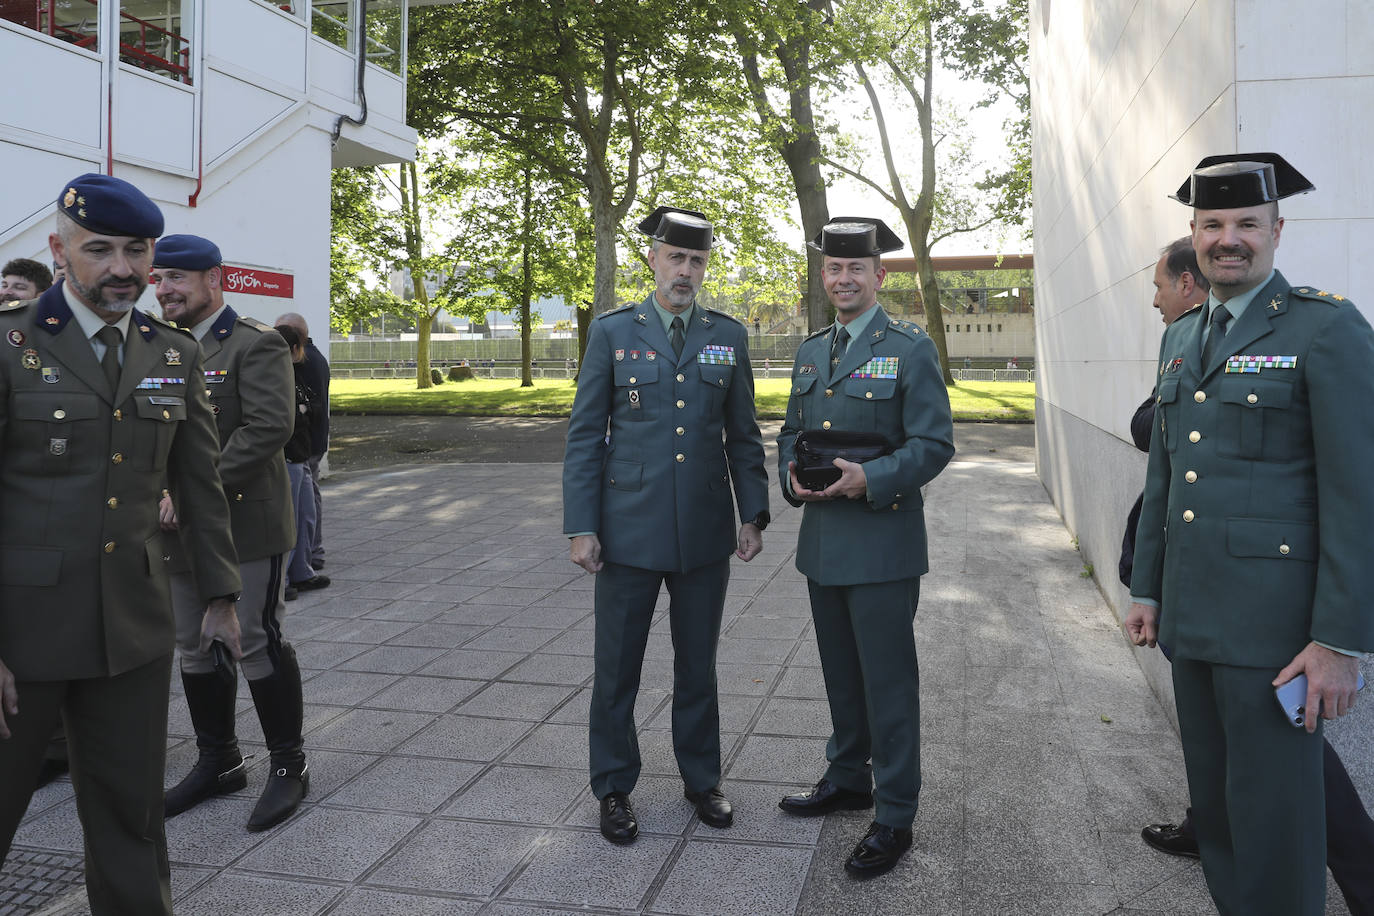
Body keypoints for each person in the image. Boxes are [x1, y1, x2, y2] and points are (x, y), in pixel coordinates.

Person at [1127, 154, 1374, 916]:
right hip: (1194, 623)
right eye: (1211, 225)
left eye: (1244, 224)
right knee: (1223, 816)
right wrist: (1148, 588)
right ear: (1194, 237)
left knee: (1277, 821)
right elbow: (1167, 481)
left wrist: (1337, 641)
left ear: (1275, 231)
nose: (1227, 239)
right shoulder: (1181, 338)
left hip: (1276, 632)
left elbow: (1357, 494)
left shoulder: (1325, 327)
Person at [0, 173, 241, 914]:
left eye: (136, 251)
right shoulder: (10, 347)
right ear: (58, 249)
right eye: (98, 249)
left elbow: (199, 482)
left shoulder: (171, 351)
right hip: (21, 633)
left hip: (129, 630)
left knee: (131, 822)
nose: (121, 269)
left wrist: (223, 593)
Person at [563, 206, 769, 845]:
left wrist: (752, 513)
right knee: (617, 666)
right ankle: (614, 786)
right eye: (676, 258)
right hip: (626, 530)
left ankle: (701, 778)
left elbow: (743, 432)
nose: (686, 271)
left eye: (697, 260)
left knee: (698, 664)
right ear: (652, 259)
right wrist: (581, 525)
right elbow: (584, 434)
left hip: (704, 530)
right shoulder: (613, 332)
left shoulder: (726, 336)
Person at [776, 217, 954, 879]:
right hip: (823, 544)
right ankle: (849, 776)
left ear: (880, 276)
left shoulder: (909, 349)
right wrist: (790, 479)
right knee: (841, 676)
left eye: (856, 268)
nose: (843, 279)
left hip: (882, 546)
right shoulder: (810, 350)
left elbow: (934, 445)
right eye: (833, 269)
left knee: (888, 684)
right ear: (824, 278)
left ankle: (896, 813)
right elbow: (790, 434)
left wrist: (869, 478)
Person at [151, 235, 311, 831]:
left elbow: (270, 427)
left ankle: (288, 766)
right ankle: (218, 761)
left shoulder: (254, 342)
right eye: (158, 278)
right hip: (172, 526)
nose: (164, 288)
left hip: (244, 522)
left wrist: (190, 490)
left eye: (177, 277)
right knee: (194, 644)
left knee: (253, 638)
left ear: (213, 279)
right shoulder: (153, 345)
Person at [274, 324, 329, 599]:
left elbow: (309, 409)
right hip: (288, 456)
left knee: (306, 515)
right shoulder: (274, 377)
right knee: (289, 520)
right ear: (296, 349)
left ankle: (301, 572)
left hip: (300, 455)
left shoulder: (293, 373)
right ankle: (281, 581)